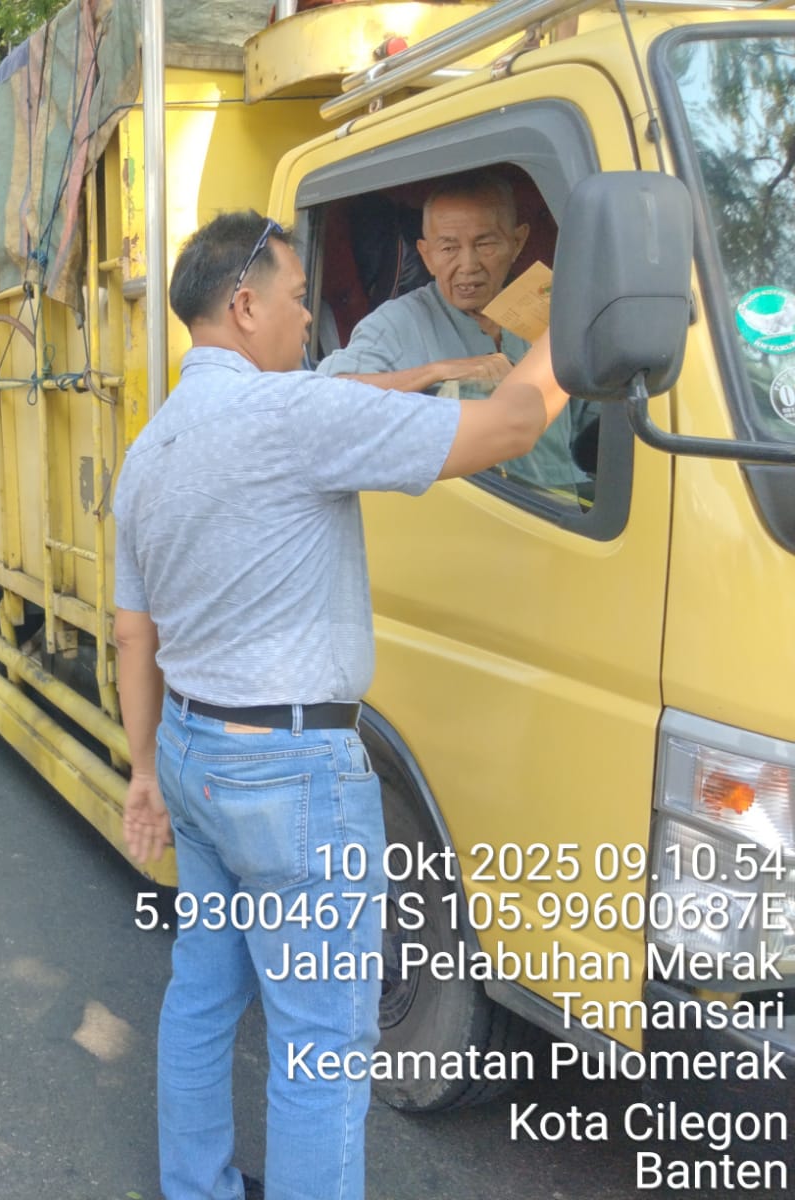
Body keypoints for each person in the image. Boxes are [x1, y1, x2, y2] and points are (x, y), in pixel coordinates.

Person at [112, 211, 569, 1200]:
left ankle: (196, 1186)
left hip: (191, 751)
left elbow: (131, 636)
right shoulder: (292, 418)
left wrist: (145, 769)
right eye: (294, 300)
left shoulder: (150, 449)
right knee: (321, 1044)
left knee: (203, 996)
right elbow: (512, 427)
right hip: (291, 779)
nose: (306, 318)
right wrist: (580, 319)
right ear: (244, 305)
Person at [317, 172, 592, 492]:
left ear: (517, 243)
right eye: (448, 248)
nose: (468, 264)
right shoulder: (397, 324)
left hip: (563, 509)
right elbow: (327, 399)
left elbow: (592, 419)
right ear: (426, 255)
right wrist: (439, 371)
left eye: (485, 244)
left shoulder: (551, 314)